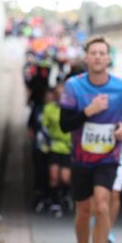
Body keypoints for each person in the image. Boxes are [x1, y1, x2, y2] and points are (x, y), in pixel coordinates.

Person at [59, 36, 122, 243]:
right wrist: (87, 112)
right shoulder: (73, 87)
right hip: (81, 158)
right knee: (83, 210)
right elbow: (64, 124)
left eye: (102, 53)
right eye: (93, 53)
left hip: (108, 157)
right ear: (86, 57)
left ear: (108, 58)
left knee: (102, 206)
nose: (98, 57)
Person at [42, 82, 73, 216]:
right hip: (54, 146)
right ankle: (55, 202)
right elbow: (44, 127)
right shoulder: (49, 108)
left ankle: (65, 195)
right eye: (58, 93)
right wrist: (45, 142)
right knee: (53, 176)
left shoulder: (72, 109)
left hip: (68, 148)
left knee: (65, 178)